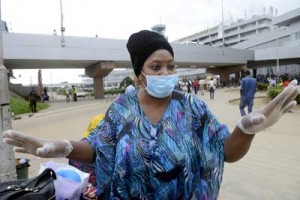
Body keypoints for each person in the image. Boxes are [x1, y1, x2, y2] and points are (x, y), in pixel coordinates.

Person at [2, 30, 299, 199]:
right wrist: (63, 146)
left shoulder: (193, 108)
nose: (166, 73)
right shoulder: (122, 109)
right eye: (156, 67)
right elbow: (98, 149)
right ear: (138, 75)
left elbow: (225, 153)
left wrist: (245, 130)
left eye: (171, 65)